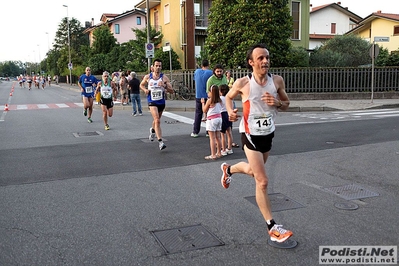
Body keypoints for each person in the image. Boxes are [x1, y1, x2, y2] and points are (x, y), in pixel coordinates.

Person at [221, 43, 293, 243]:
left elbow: (287, 104)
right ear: (251, 62)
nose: (265, 61)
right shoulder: (243, 83)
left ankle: (228, 170)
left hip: (268, 134)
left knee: (253, 172)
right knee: (262, 181)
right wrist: (230, 111)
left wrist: (277, 103)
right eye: (260, 58)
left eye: (267, 58)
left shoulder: (277, 81)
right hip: (250, 135)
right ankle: (273, 227)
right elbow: (228, 97)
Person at [140, 59, 174, 150]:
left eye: (160, 66)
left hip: (161, 102)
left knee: (156, 120)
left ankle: (152, 130)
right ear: (153, 67)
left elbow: (172, 91)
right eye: (157, 66)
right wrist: (145, 90)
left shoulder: (164, 78)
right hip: (152, 101)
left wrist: (165, 85)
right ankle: (160, 142)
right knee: (157, 120)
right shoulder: (148, 77)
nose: (158, 67)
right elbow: (141, 85)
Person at [191, 59, 213, 138]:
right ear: (208, 65)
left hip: (198, 95)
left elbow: (195, 80)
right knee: (209, 113)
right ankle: (208, 131)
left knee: (198, 113)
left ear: (201, 65)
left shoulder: (197, 71)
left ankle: (195, 131)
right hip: (208, 95)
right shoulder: (210, 73)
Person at [202, 85, 223, 160]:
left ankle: (213, 154)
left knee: (212, 138)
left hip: (211, 120)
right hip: (219, 118)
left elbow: (204, 110)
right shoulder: (220, 100)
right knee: (218, 137)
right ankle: (219, 152)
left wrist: (202, 103)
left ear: (211, 92)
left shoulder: (210, 100)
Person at [219, 84, 233, 156]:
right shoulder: (229, 98)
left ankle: (223, 149)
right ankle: (230, 148)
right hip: (229, 113)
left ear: (220, 91)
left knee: (222, 134)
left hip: (222, 114)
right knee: (229, 132)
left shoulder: (220, 98)